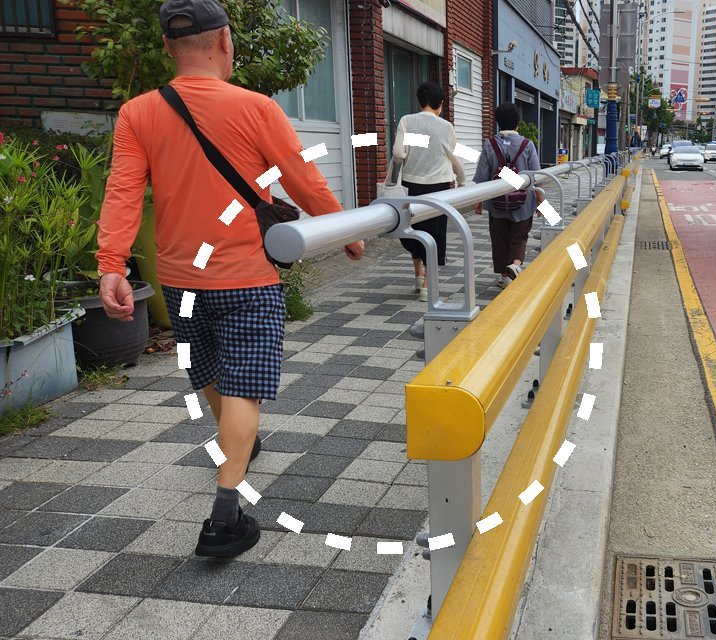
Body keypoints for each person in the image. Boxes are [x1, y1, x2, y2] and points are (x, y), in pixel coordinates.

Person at [96, 0, 365, 558]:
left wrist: (111, 267)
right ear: (224, 43)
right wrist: (346, 230)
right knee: (244, 382)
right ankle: (225, 515)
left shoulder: (137, 113)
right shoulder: (257, 108)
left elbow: (123, 193)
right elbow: (303, 176)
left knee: (211, 370)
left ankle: (237, 443)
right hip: (247, 273)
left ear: (169, 48)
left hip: (178, 275)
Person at [392, 81, 466, 301]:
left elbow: (398, 154)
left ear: (420, 100)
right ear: (441, 104)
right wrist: (462, 182)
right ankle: (427, 286)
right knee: (434, 234)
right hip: (439, 188)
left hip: (412, 185)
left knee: (413, 229)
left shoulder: (407, 120)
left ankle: (417, 275)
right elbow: (455, 158)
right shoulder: (446, 127)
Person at [473, 103, 541, 289]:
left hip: (496, 202)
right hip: (523, 202)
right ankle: (516, 265)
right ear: (518, 123)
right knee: (520, 236)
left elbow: (482, 176)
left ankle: (504, 276)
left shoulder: (490, 144)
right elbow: (536, 177)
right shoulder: (527, 145)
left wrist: (479, 201)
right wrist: (541, 204)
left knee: (499, 238)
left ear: (498, 123)